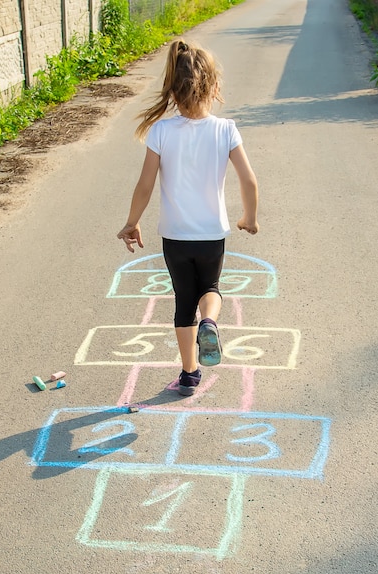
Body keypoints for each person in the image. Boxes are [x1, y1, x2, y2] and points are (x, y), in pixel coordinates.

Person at [117, 38, 259, 396]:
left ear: (174, 91)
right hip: (211, 234)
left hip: (175, 237)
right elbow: (248, 179)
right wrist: (249, 217)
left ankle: (189, 374)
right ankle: (210, 320)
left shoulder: (161, 131)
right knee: (210, 289)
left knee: (183, 302)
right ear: (213, 87)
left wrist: (132, 221)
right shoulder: (226, 129)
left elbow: (145, 184)